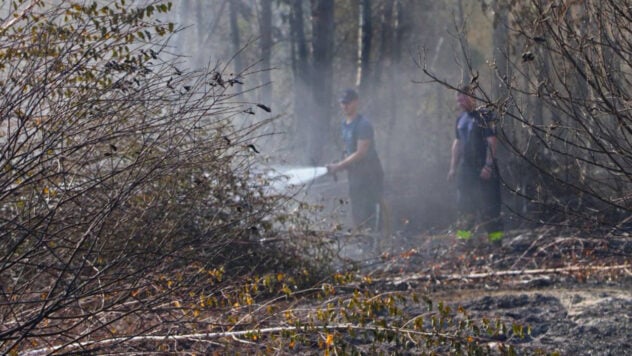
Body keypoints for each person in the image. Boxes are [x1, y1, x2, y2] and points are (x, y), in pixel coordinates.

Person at [447, 85, 503, 241]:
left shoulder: (485, 115)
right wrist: (452, 168)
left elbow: (492, 141)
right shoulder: (460, 119)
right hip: (466, 170)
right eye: (458, 100)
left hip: (484, 169)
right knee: (464, 208)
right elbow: (457, 144)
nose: (461, 103)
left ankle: (496, 244)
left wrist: (488, 165)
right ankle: (464, 243)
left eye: (463, 99)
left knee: (490, 208)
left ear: (472, 97)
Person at [327, 88, 384, 231]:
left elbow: (360, 153)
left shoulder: (363, 124)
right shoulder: (345, 124)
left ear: (356, 102)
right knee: (357, 210)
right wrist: (339, 164)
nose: (345, 106)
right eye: (343, 103)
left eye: (348, 103)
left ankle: (374, 243)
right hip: (355, 175)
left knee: (369, 210)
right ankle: (362, 241)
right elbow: (350, 150)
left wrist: (340, 165)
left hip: (370, 175)